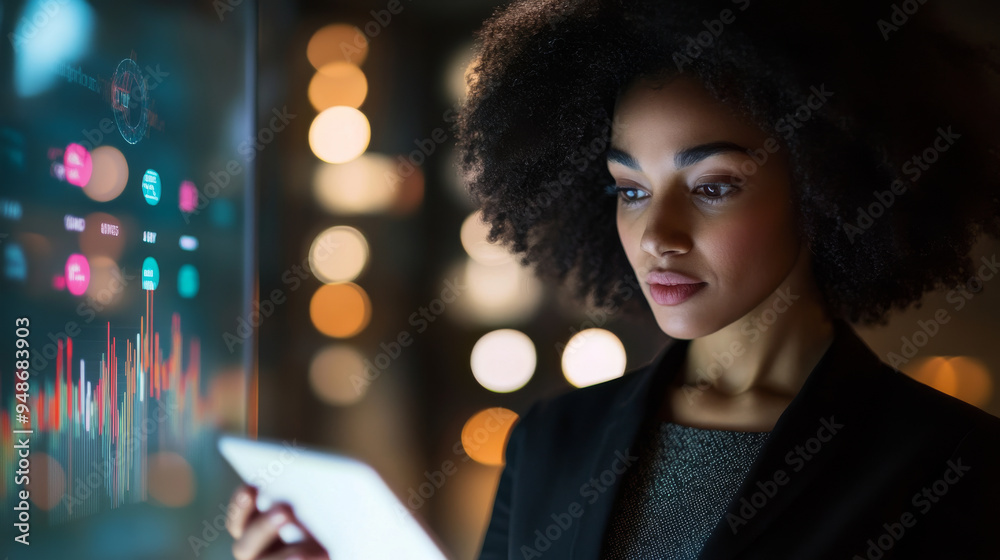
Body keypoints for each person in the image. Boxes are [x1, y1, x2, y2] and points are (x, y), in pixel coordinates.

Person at [225, 0, 1000, 558]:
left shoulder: (947, 465)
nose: (657, 234)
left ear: (827, 183)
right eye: (630, 188)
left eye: (713, 185)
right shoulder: (552, 441)